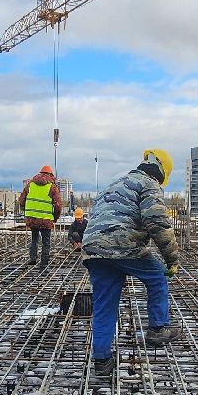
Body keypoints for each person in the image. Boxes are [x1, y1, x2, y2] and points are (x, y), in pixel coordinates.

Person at [83, 150, 182, 376]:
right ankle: (158, 328)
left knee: (104, 304)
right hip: (122, 243)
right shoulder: (148, 184)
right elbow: (157, 222)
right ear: (161, 171)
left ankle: (102, 359)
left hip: (94, 249)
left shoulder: (114, 184)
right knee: (158, 275)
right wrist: (172, 260)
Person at [19, 164, 63, 267]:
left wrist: (27, 212)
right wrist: (55, 218)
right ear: (50, 175)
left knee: (34, 239)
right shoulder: (52, 187)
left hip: (32, 218)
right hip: (46, 220)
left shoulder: (30, 184)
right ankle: (44, 263)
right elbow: (58, 206)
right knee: (46, 242)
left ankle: (33, 258)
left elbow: (21, 200)